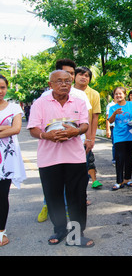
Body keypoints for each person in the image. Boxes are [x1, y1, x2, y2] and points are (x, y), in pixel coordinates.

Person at [28, 70, 94, 247]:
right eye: (59, 81)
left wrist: (77, 131)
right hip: (49, 159)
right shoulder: (39, 103)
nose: (64, 84)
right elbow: (33, 128)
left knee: (77, 197)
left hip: (75, 158)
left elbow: (85, 124)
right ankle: (59, 229)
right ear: (50, 85)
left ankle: (76, 234)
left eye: (67, 81)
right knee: (53, 197)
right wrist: (46, 136)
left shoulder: (79, 102)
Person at [37, 58, 92, 222]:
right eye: (63, 75)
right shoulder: (43, 99)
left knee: (75, 189)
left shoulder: (80, 96)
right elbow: (36, 126)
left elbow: (88, 120)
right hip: (50, 152)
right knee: (53, 188)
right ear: (52, 81)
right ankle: (52, 212)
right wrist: (48, 135)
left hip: (75, 148)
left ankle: (74, 224)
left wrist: (86, 136)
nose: (67, 80)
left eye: (70, 76)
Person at [0, 75, 26, 247]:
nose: (0, 91)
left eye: (2, 87)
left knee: (2, 196)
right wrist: (5, 128)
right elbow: (10, 128)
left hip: (6, 160)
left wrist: (10, 128)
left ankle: (1, 232)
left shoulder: (14, 107)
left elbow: (16, 129)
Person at [74, 66, 102, 189]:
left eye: (87, 76)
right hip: (69, 134)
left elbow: (94, 117)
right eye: (81, 74)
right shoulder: (67, 91)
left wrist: (91, 138)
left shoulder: (94, 94)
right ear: (74, 77)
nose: (84, 77)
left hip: (85, 135)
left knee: (85, 163)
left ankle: (82, 195)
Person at [108, 86, 132, 191]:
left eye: (120, 93)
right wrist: (115, 113)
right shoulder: (113, 107)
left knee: (129, 157)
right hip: (119, 136)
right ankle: (119, 181)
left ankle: (127, 179)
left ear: (125, 94)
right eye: (116, 94)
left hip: (131, 135)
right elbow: (110, 121)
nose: (118, 95)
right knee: (119, 158)